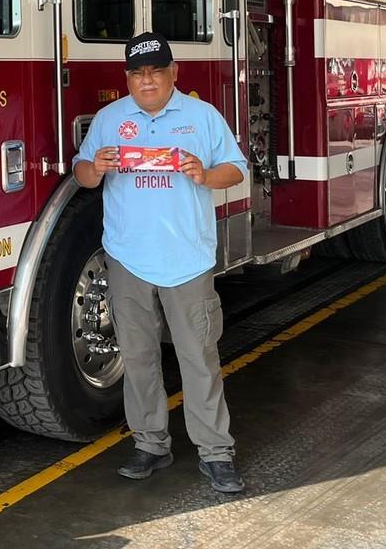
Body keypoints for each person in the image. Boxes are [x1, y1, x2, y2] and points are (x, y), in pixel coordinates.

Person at [72, 31, 248, 494]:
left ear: (174, 73)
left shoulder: (201, 116)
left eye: (155, 71)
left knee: (199, 358)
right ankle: (151, 443)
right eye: (137, 72)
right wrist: (97, 167)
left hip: (187, 260)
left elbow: (237, 168)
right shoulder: (110, 120)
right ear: (127, 77)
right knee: (138, 359)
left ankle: (216, 452)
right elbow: (82, 174)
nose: (146, 80)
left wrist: (205, 173)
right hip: (128, 259)